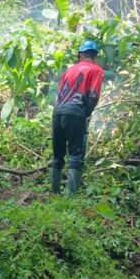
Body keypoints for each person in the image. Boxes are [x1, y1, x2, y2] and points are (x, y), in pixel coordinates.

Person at [51, 40, 104, 194]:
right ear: (95, 56)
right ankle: (71, 196)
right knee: (76, 154)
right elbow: (93, 96)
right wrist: (86, 113)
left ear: (80, 55)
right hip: (75, 112)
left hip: (58, 112)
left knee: (58, 154)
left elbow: (59, 95)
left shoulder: (69, 70)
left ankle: (55, 193)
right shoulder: (96, 70)